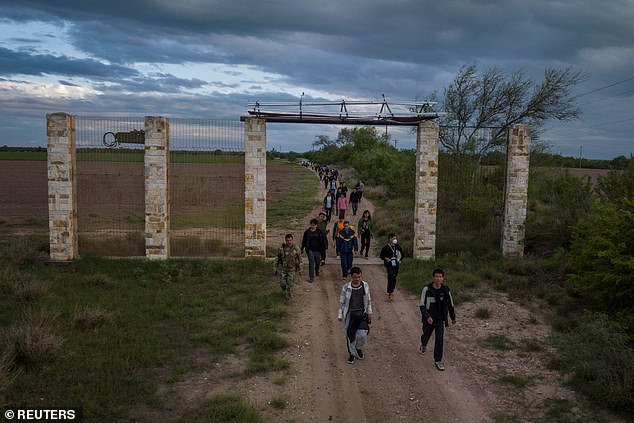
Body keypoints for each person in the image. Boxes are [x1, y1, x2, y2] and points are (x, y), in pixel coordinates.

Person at [419, 268, 456, 371]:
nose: (438, 279)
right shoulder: (426, 289)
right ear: (433, 277)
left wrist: (453, 317)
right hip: (429, 319)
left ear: (443, 278)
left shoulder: (446, 290)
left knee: (439, 338)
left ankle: (438, 360)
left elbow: (450, 304)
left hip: (440, 318)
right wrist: (427, 317)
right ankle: (423, 344)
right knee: (426, 334)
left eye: (440, 277)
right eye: (436, 276)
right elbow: (422, 305)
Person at [337, 266, 372, 364]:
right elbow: (342, 302)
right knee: (350, 335)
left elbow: (368, 300)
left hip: (362, 314)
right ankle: (352, 354)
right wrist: (340, 314)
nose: (357, 279)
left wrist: (369, 313)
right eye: (355, 277)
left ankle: (358, 347)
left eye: (359, 277)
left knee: (362, 335)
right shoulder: (346, 287)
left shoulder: (365, 286)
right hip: (351, 314)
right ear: (351, 277)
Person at [273, 234, 302, 300]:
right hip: (283, 269)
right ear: (285, 240)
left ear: (292, 240)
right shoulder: (281, 249)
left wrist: (300, 269)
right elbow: (277, 258)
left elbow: (300, 260)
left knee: (290, 284)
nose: (289, 242)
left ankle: (288, 297)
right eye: (287, 240)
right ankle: (286, 292)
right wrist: (275, 267)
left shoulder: (296, 249)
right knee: (282, 283)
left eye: (290, 240)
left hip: (292, 270)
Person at [301, 218, 327, 282]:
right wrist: (302, 248)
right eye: (311, 225)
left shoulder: (319, 232)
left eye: (314, 225)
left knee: (318, 262)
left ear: (316, 225)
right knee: (311, 262)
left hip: (318, 250)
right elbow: (304, 240)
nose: (312, 226)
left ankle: (317, 270)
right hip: (310, 250)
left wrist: (325, 247)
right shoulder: (307, 232)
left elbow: (323, 240)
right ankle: (311, 277)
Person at [379, 233, 403, 301]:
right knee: (390, 276)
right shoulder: (386, 247)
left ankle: (392, 287)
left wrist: (399, 259)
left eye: (396, 238)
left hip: (396, 264)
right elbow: (381, 256)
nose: (395, 240)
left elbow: (402, 253)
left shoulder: (397, 246)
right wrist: (386, 258)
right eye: (394, 238)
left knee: (394, 277)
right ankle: (390, 292)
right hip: (389, 264)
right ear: (390, 239)